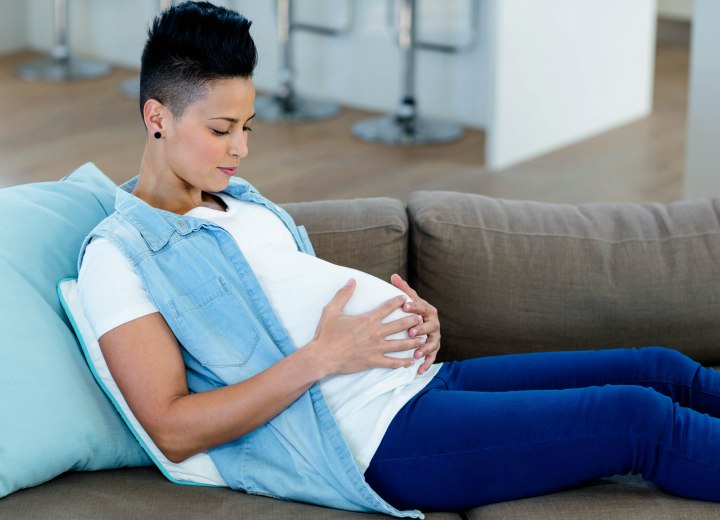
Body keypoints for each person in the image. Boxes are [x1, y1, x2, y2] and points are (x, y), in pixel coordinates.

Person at [78, 1, 720, 516]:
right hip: (374, 440)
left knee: (658, 368)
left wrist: (413, 327)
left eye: (248, 127)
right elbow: (172, 428)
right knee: (637, 419)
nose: (240, 148)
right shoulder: (120, 256)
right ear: (155, 116)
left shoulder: (239, 202)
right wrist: (323, 358)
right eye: (221, 130)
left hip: (416, 382)